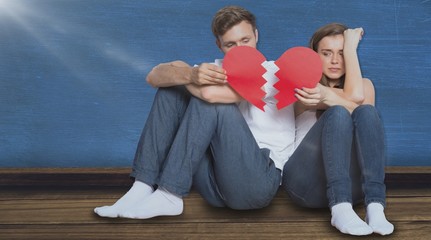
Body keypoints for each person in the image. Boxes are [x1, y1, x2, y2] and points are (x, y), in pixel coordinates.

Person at [94, 5, 294, 219]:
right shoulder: (213, 70)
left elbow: (211, 96)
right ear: (219, 45)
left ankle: (169, 194)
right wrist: (188, 73)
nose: (241, 50)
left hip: (257, 184)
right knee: (172, 90)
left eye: (246, 41)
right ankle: (142, 187)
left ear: (256, 35)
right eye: (230, 44)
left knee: (208, 99)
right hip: (215, 185)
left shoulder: (275, 72)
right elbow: (154, 76)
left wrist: (184, 72)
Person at [282, 23, 394, 236]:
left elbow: (358, 100)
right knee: (338, 113)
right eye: (326, 53)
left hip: (354, 190)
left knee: (367, 113)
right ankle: (340, 207)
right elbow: (352, 101)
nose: (335, 61)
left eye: (342, 54)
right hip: (305, 183)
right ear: (314, 55)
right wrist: (329, 97)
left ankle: (375, 205)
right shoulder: (303, 85)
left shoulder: (365, 86)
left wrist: (352, 50)